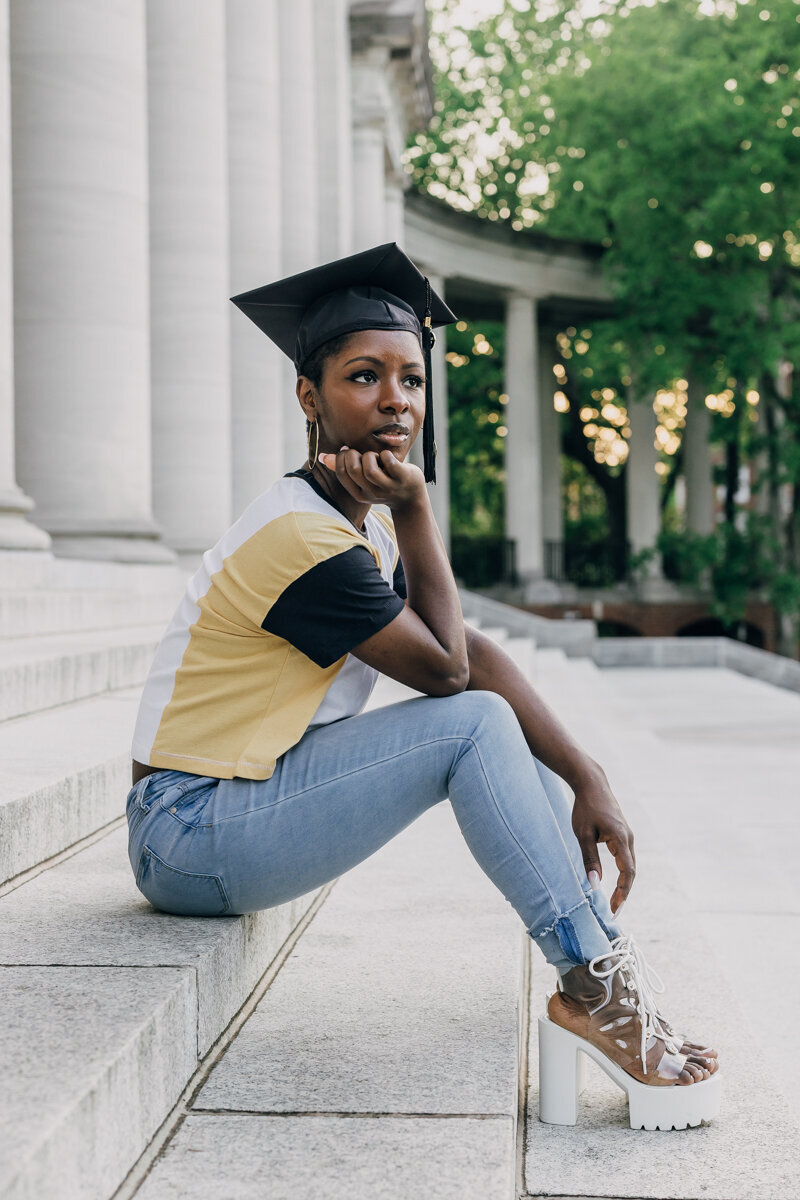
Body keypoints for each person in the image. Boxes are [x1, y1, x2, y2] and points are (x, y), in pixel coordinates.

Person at [126, 242, 720, 1131]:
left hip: (218, 811)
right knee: (472, 724)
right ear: (309, 396)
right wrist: (416, 506)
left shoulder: (336, 523)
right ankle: (597, 986)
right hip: (188, 827)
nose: (395, 399)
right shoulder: (306, 540)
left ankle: (598, 972)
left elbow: (468, 647)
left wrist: (584, 772)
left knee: (481, 711)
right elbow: (448, 676)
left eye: (410, 378)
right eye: (364, 376)